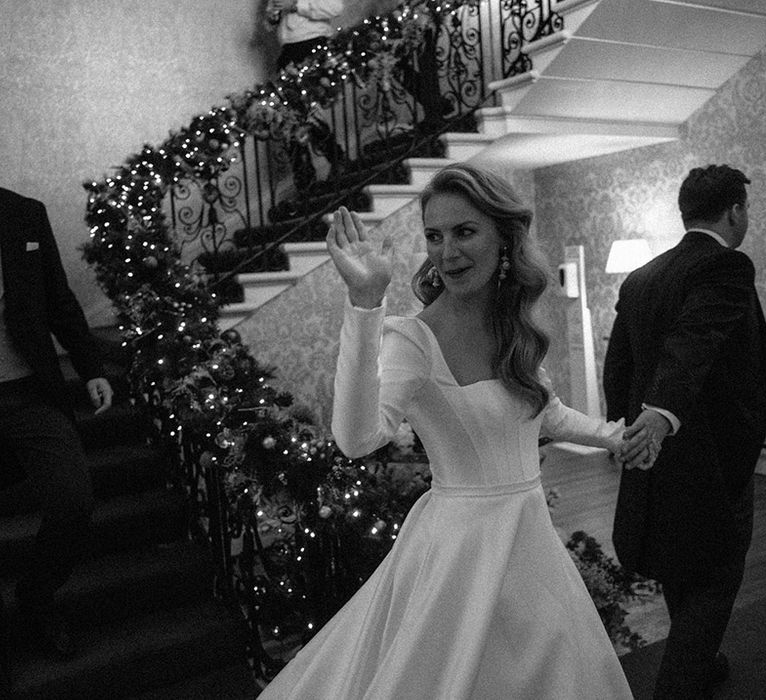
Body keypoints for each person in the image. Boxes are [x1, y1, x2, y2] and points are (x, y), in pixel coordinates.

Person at [259, 163, 654, 699]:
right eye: (434, 236)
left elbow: (545, 413)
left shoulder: (513, 326)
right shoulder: (414, 339)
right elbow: (356, 440)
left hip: (529, 538)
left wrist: (613, 436)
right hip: (459, 550)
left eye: (465, 232)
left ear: (504, 240)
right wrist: (365, 304)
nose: (447, 253)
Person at [604, 164, 766, 699]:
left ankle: (705, 661)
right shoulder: (726, 266)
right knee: (719, 576)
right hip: (713, 458)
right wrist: (661, 414)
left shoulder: (642, 276)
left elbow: (618, 366)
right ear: (735, 211)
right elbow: (694, 340)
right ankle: (678, 686)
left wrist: (630, 431)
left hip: (654, 452)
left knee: (681, 560)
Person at [0, 188, 113, 685]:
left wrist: (90, 366)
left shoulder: (23, 214)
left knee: (73, 501)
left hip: (30, 394)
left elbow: (58, 299)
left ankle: (36, 594)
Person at [265, 0, 347, 191]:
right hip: (288, 51)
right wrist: (273, 16)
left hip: (312, 45)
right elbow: (269, 23)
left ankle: (337, 158)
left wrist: (295, 5)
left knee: (308, 111)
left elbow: (335, 7)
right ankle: (304, 179)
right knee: (289, 116)